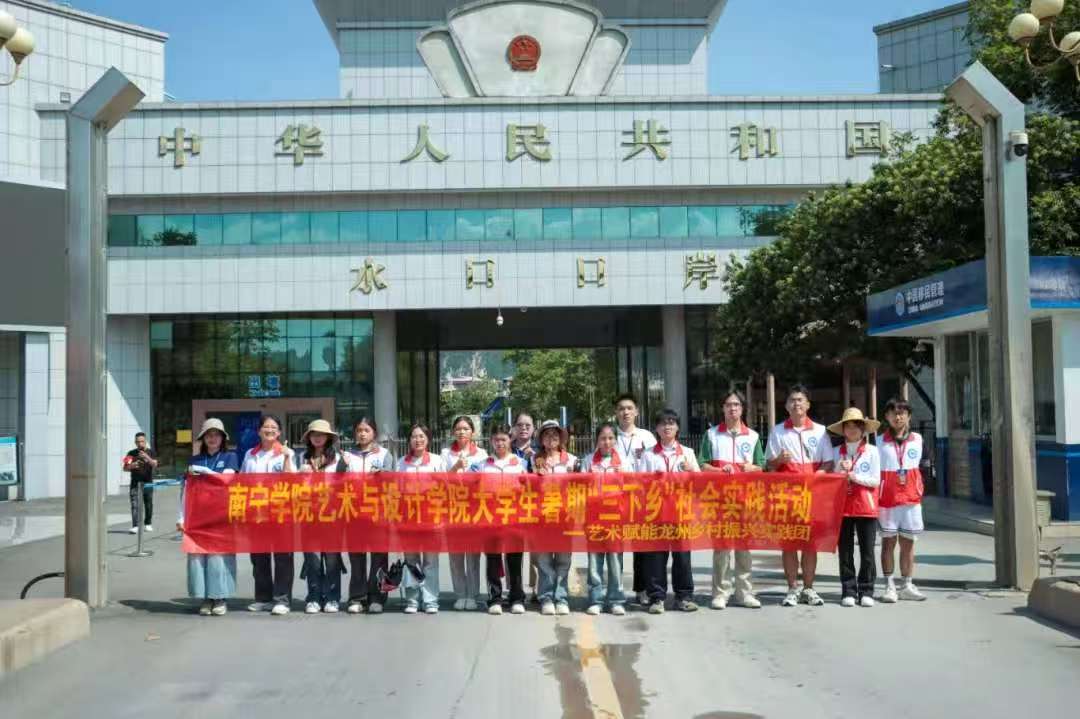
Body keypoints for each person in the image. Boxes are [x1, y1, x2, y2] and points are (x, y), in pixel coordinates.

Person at [766, 385, 833, 608]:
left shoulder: (820, 431)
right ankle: (792, 588)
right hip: (787, 496)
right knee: (789, 543)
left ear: (808, 404)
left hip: (813, 496)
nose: (796, 404)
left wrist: (817, 477)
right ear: (786, 406)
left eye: (800, 400)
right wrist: (779, 460)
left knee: (810, 543)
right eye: (792, 400)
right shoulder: (777, 431)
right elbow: (769, 465)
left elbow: (828, 462)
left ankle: (809, 588)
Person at [700, 390, 764, 610]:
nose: (732, 408)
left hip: (746, 499)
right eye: (728, 405)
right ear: (723, 408)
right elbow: (702, 465)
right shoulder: (711, 435)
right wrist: (719, 470)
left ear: (742, 409)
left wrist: (751, 468)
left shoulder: (753, 436)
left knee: (744, 547)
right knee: (722, 548)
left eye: (736, 405)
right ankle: (720, 593)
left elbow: (761, 467)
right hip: (720, 499)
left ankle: (744, 592)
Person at [637, 409, 700, 614]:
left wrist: (691, 471)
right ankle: (657, 598)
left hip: (681, 512)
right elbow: (639, 485)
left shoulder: (688, 453)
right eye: (663, 423)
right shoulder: (648, 455)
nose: (667, 427)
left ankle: (684, 597)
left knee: (682, 556)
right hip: (656, 512)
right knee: (656, 557)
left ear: (678, 427)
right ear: (656, 428)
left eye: (671, 423)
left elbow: (700, 483)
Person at [179, 418, 239, 616]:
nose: (213, 438)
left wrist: (204, 472)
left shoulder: (230, 457)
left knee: (218, 557)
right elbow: (185, 491)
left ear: (223, 438)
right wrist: (181, 517)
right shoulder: (194, 460)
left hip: (221, 516)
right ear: (203, 438)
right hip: (197, 516)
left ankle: (220, 598)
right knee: (197, 556)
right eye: (209, 435)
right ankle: (205, 597)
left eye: (216, 435)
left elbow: (226, 479)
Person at [470, 424, 528, 616]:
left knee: (514, 559)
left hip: (514, 518)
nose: (500, 443)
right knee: (493, 559)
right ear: (491, 441)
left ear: (510, 440)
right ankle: (495, 598)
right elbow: (468, 485)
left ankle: (517, 598)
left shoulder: (521, 463)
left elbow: (529, 488)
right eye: (496, 440)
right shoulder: (482, 465)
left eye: (503, 439)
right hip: (491, 519)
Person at [243, 415, 297, 616]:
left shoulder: (286, 453)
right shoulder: (250, 454)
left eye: (274, 427)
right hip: (257, 513)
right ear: (259, 431)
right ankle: (263, 598)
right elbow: (242, 482)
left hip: (281, 512)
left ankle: (282, 599)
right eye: (266, 427)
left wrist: (286, 457)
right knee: (259, 558)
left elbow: (292, 481)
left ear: (279, 432)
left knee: (283, 557)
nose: (270, 430)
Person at [827, 408, 881, 608]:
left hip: (866, 505)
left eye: (856, 426)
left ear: (863, 429)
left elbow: (875, 480)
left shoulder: (872, 451)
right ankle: (848, 590)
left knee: (867, 551)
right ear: (843, 430)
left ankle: (866, 590)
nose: (851, 430)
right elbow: (830, 480)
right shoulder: (836, 452)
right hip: (842, 506)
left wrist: (854, 477)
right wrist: (839, 472)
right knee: (845, 551)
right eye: (847, 426)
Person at [877, 397, 927, 602]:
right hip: (887, 501)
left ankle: (906, 585)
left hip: (911, 500)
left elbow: (922, 465)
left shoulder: (918, 439)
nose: (898, 417)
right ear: (886, 417)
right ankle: (889, 586)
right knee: (888, 543)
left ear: (909, 416)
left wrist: (918, 487)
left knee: (908, 543)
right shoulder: (878, 441)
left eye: (902, 413)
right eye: (893, 413)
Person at [296, 419, 348, 614]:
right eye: (314, 434)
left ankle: (333, 597)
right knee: (313, 558)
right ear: (309, 438)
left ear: (328, 437)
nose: (317, 437)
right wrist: (299, 476)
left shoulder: (340, 459)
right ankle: (314, 597)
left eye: (321, 434)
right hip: (309, 515)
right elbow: (291, 486)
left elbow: (346, 486)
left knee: (332, 558)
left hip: (333, 515)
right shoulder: (302, 458)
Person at [344, 417, 394, 614]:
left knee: (379, 557)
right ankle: (357, 597)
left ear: (374, 433)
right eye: (359, 430)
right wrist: (343, 468)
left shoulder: (384, 454)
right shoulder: (348, 455)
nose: (362, 434)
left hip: (378, 512)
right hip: (354, 512)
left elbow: (392, 481)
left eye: (366, 430)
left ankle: (378, 598)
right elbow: (338, 482)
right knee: (357, 557)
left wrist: (382, 474)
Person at [611, 393, 657, 606]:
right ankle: (616, 590)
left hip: (642, 498)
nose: (625, 412)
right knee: (616, 545)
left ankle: (642, 589)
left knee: (642, 545)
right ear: (616, 413)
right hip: (616, 498)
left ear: (636, 412)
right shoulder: (610, 436)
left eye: (629, 408)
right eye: (621, 408)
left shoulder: (647, 437)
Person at [399, 423, 446, 614]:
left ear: (428, 439)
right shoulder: (401, 463)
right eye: (414, 436)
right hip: (408, 518)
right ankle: (412, 599)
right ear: (409, 440)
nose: (417, 440)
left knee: (430, 561)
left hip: (431, 517)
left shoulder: (437, 461)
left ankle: (430, 600)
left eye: (421, 436)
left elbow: (445, 487)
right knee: (411, 560)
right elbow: (396, 490)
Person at [442, 415, 488, 611]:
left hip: (474, 509)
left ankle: (473, 594)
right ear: (453, 432)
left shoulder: (482, 454)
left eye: (466, 429)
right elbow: (441, 480)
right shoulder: (446, 453)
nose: (461, 432)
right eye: (458, 429)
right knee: (456, 555)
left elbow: (485, 480)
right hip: (453, 508)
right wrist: (456, 467)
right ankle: (460, 594)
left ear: (472, 432)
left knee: (473, 555)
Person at [534, 420, 577, 616]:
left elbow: (581, 488)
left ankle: (561, 597)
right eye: (546, 434)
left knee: (563, 559)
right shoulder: (534, 460)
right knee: (543, 560)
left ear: (561, 438)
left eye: (555, 435)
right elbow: (525, 487)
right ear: (541, 439)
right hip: (542, 518)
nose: (551, 438)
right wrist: (537, 476)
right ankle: (546, 598)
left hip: (565, 518)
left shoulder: (572, 461)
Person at [585, 423, 627, 616]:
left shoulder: (623, 461)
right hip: (594, 518)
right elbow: (581, 487)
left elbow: (631, 487)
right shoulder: (588, 461)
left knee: (615, 560)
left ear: (615, 440)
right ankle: (596, 600)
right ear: (597, 440)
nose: (607, 442)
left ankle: (616, 599)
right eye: (603, 438)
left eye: (610, 438)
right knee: (595, 560)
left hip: (616, 518)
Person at [511, 411, 541, 600]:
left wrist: (534, 460)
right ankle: (514, 590)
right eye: (520, 425)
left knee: (535, 550)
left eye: (527, 425)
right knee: (513, 550)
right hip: (511, 506)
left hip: (534, 505)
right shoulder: (506, 447)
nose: (523, 428)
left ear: (533, 429)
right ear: (514, 428)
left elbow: (543, 477)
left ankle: (536, 589)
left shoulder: (540, 449)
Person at [123, 432, 158, 534]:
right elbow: (125, 468)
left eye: (142, 441)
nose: (140, 443)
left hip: (148, 482)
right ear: (135, 442)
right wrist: (132, 465)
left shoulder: (151, 452)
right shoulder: (131, 453)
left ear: (145, 441)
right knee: (134, 504)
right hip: (135, 482)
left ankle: (148, 524)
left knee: (148, 503)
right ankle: (135, 526)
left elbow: (155, 464)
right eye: (138, 442)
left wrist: (147, 457)